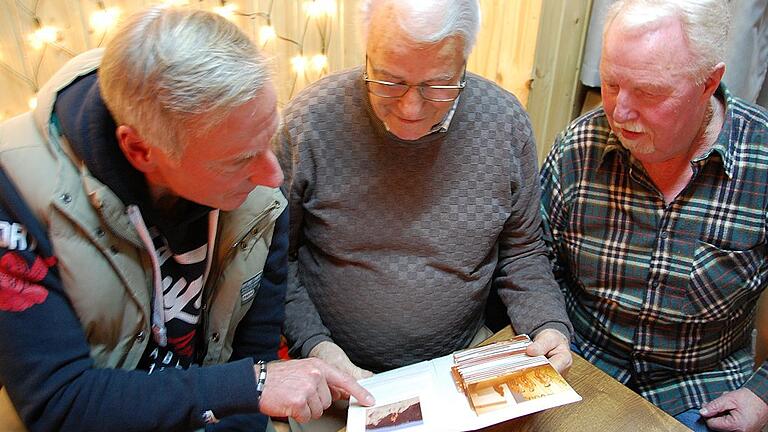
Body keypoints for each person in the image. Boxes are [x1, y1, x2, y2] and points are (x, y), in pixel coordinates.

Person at [0, 6, 373, 432]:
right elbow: (58, 405)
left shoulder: (261, 197)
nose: (274, 177)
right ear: (140, 150)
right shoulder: (16, 194)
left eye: (268, 138)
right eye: (239, 160)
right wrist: (244, 387)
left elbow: (255, 365)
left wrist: (248, 390)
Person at [279, 0, 573, 428]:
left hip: (462, 367)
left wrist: (548, 325)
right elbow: (275, 260)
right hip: (332, 375)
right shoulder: (310, 122)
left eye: (437, 85)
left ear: (464, 62)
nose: (410, 109)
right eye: (389, 81)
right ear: (367, 53)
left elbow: (523, 252)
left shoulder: (505, 123)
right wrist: (316, 346)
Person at [540, 0, 768, 430]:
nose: (620, 114)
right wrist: (545, 328)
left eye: (647, 92)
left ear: (708, 83)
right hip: (580, 365)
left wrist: (763, 395)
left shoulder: (762, 158)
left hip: (701, 389)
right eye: (611, 84)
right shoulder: (579, 145)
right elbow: (531, 259)